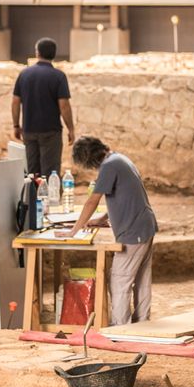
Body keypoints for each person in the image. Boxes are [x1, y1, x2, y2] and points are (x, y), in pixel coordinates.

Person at [67, 136, 158, 327]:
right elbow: (125, 196)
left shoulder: (109, 166)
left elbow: (92, 201)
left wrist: (74, 230)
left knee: (119, 281)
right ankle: (142, 323)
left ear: (88, 159)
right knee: (141, 280)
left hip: (134, 231)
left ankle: (121, 327)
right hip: (144, 225)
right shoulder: (119, 159)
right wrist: (101, 219)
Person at [11, 37, 75, 177]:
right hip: (51, 131)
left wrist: (16, 125)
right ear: (54, 54)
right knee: (50, 172)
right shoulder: (58, 76)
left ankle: (33, 192)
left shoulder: (24, 74)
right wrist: (70, 128)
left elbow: (15, 102)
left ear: (37, 53)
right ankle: (49, 192)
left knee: (32, 172)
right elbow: (64, 106)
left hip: (29, 130)